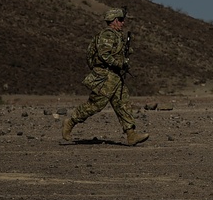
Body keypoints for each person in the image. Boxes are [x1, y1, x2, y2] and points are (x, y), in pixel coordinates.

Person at [60, 8, 149, 146]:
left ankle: (131, 134)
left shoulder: (117, 35)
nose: (122, 23)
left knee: (123, 104)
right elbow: (104, 55)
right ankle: (71, 122)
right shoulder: (107, 35)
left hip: (115, 76)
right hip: (106, 76)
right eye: (120, 20)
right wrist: (120, 63)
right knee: (96, 104)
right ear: (114, 21)